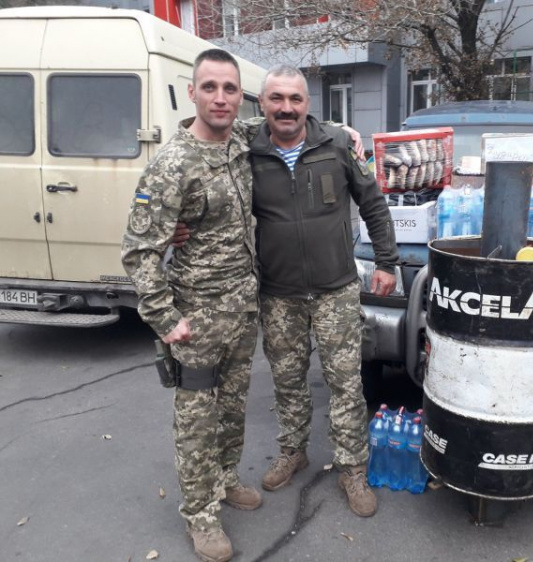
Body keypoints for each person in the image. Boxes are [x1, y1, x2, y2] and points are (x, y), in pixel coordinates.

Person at [121, 49, 262, 562]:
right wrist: (165, 320)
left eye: (230, 89)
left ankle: (226, 480)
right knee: (197, 419)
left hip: (243, 310)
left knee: (233, 409)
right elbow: (138, 251)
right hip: (195, 320)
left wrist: (346, 132)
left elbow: (289, 118)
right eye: (210, 88)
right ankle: (201, 516)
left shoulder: (242, 143)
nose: (221, 98)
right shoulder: (172, 164)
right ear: (192, 93)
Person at [249, 65, 398, 518]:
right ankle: (294, 450)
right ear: (262, 105)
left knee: (345, 384)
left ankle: (352, 468)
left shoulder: (336, 144)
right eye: (276, 98)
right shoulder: (246, 149)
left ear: (308, 104)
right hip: (279, 294)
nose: (286, 108)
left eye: (295, 98)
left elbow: (372, 202)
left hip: (335, 290)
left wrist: (388, 262)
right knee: (288, 381)